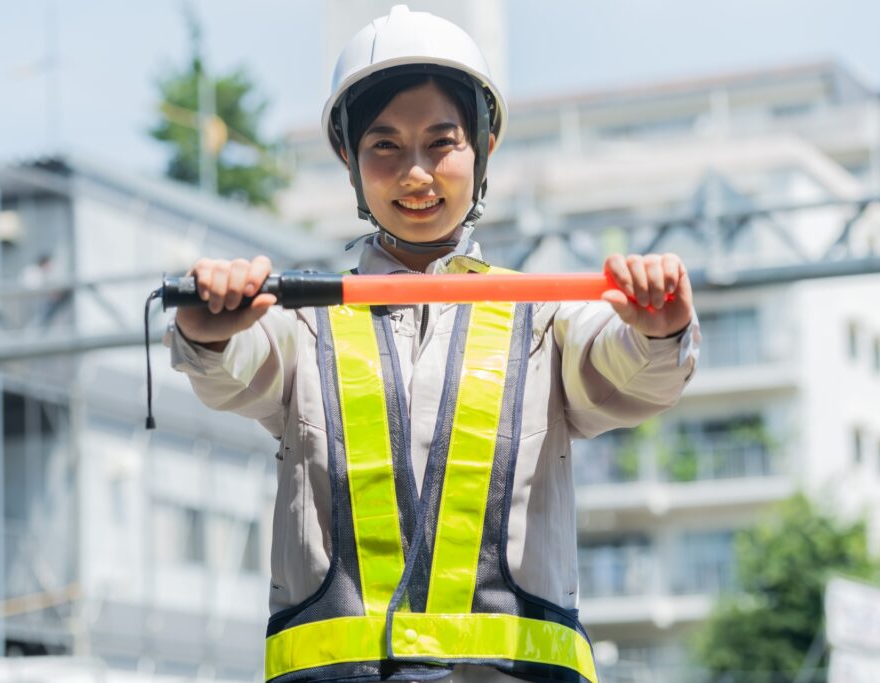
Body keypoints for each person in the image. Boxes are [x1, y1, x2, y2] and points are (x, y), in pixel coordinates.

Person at [168, 6, 700, 683]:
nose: (415, 172)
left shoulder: (542, 312)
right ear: (348, 158)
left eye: (441, 142)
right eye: (384, 145)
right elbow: (234, 366)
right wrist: (206, 331)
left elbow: (627, 374)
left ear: (484, 147)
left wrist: (658, 331)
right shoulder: (303, 315)